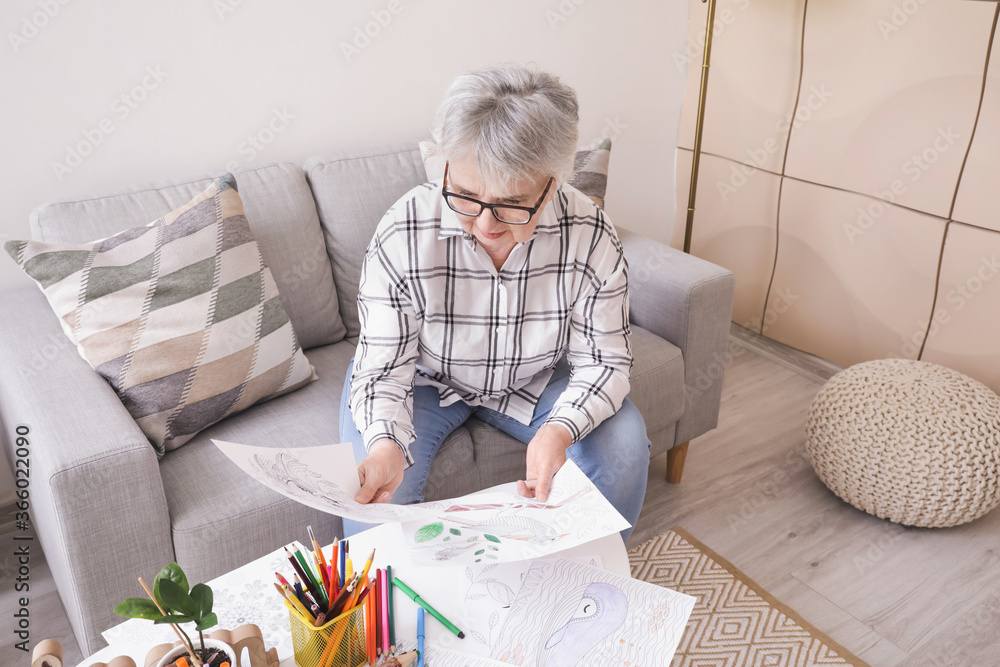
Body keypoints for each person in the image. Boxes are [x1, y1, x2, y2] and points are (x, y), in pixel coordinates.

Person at [340, 63, 650, 542]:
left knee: (626, 443)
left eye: (511, 202)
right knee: (374, 499)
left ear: (554, 182)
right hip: (422, 380)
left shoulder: (590, 234)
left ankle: (587, 588)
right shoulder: (403, 229)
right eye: (465, 194)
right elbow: (382, 370)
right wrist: (384, 444)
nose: (486, 224)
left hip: (536, 379)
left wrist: (560, 430)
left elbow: (605, 362)